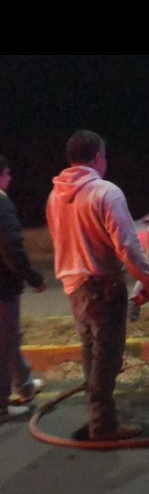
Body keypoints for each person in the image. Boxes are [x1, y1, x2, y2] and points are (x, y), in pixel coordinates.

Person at [47, 130, 149, 441]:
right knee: (107, 357)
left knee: (91, 353)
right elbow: (127, 244)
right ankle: (103, 425)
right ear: (98, 156)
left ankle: (97, 417)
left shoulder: (55, 196)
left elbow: (59, 240)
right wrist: (147, 278)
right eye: (104, 156)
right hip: (102, 285)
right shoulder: (105, 192)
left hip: (73, 286)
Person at [0, 154, 47, 423]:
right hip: (2, 287)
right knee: (5, 343)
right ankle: (1, 407)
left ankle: (25, 385)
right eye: (7, 173)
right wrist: (33, 277)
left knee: (8, 338)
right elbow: (11, 246)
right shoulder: (1, 202)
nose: (10, 178)